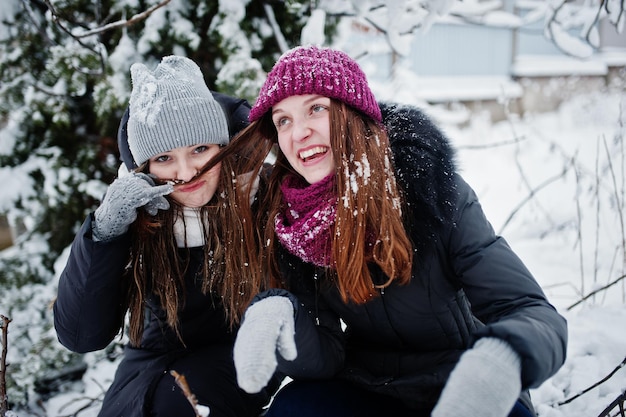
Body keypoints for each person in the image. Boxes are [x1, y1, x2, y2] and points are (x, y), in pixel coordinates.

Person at [216, 45, 568, 417]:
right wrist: (284, 319)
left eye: (316, 108)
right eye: (282, 120)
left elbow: (529, 310)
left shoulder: (431, 191)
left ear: (352, 113)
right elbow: (326, 358)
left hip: (464, 382)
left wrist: (502, 359)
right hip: (368, 386)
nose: (298, 132)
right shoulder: (291, 221)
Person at [53, 55, 279, 417]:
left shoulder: (259, 195)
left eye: (200, 149)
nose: (187, 172)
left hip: (245, 350)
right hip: (151, 361)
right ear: (144, 166)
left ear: (223, 146)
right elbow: (81, 335)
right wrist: (106, 232)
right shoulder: (138, 213)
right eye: (164, 158)